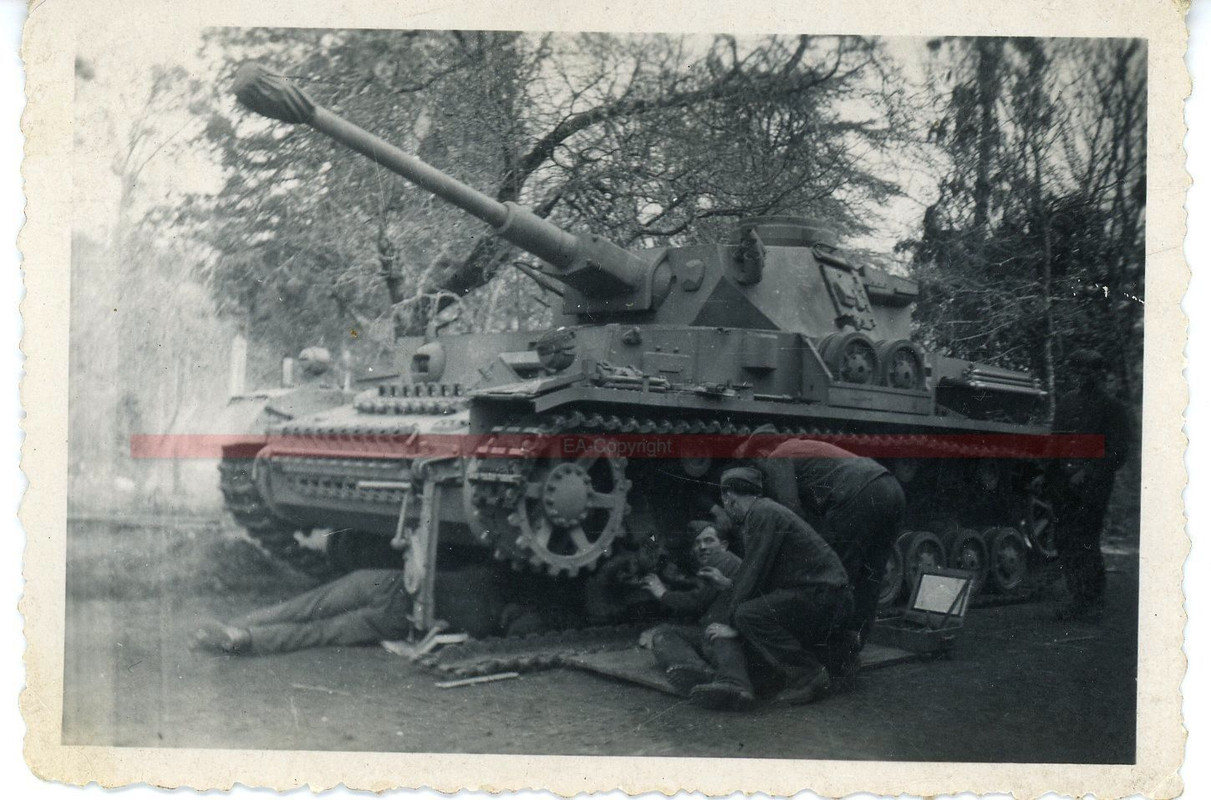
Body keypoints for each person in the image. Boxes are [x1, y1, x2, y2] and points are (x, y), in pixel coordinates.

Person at [690, 467, 853, 710]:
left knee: (748, 614)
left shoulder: (761, 513)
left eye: (726, 499)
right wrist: (728, 584)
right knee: (754, 611)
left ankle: (808, 676)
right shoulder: (766, 510)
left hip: (824, 597)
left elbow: (754, 571)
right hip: (825, 595)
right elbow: (763, 574)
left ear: (729, 497)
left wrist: (732, 625)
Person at [743, 428, 905, 654]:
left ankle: (831, 651)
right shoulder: (802, 446)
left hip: (858, 494)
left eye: (756, 464)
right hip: (891, 487)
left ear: (761, 452)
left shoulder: (777, 456)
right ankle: (855, 647)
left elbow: (792, 511)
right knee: (871, 577)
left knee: (834, 578)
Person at [1047, 349, 1135, 622]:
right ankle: (1077, 595)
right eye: (1079, 371)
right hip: (1063, 485)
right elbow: (1056, 443)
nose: (1084, 376)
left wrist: (1088, 472)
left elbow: (1118, 451)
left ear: (1101, 373)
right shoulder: (1066, 403)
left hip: (1093, 487)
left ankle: (1091, 598)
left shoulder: (1113, 408)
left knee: (1086, 539)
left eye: (1090, 371)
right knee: (1064, 540)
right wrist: (1047, 476)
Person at [192, 568, 413, 655]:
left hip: (391, 581)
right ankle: (242, 637)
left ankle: (231, 626)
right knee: (318, 632)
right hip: (401, 617)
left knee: (303, 606)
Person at [639, 522, 745, 698]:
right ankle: (699, 671)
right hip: (714, 634)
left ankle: (716, 677)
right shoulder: (717, 563)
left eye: (709, 541)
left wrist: (663, 593)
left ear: (724, 546)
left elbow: (698, 602)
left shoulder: (726, 560)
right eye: (697, 543)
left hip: (726, 636)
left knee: (669, 635)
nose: (702, 547)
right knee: (665, 633)